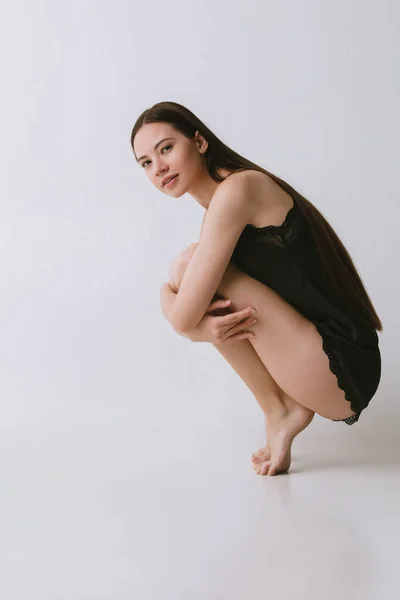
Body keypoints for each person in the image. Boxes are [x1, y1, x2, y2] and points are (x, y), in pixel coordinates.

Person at [131, 101, 382, 476]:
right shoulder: (221, 203)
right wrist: (194, 322)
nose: (159, 167)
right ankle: (280, 410)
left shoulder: (239, 189)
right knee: (194, 271)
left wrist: (171, 304)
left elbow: (184, 317)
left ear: (199, 142)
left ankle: (281, 410)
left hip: (340, 364)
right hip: (320, 361)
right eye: (146, 163)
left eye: (166, 148)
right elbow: (189, 316)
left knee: (187, 268)